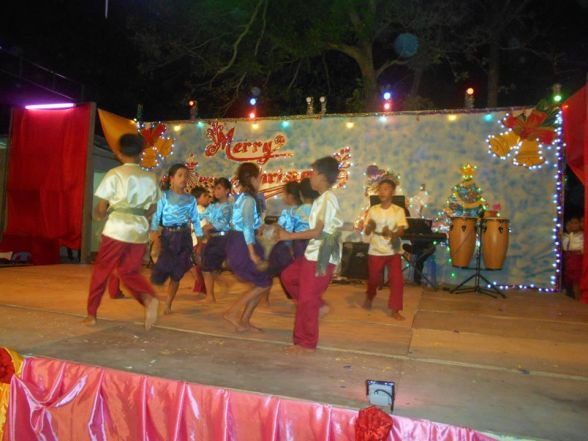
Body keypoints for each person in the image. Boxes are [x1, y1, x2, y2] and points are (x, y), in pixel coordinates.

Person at [83, 134, 160, 330]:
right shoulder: (150, 177)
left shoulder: (114, 174)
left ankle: (91, 314)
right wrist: (139, 215)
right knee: (129, 271)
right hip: (139, 229)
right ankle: (149, 298)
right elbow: (153, 207)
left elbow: (102, 207)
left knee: (102, 270)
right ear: (140, 153)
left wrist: (99, 215)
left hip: (117, 228)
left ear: (118, 153)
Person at [277, 156, 343, 353]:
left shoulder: (328, 199)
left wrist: (289, 235)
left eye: (313, 173)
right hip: (314, 252)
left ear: (322, 176)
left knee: (306, 300)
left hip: (322, 255)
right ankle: (317, 305)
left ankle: (306, 343)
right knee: (288, 276)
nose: (310, 176)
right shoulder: (321, 200)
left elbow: (317, 231)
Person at [224, 163, 272, 332]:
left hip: (241, 242)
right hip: (243, 244)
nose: (260, 181)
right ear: (252, 179)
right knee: (263, 283)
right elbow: (246, 227)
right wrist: (252, 253)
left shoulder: (243, 198)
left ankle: (244, 321)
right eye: (259, 178)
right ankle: (232, 312)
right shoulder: (249, 200)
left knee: (263, 282)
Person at [150, 163, 203, 314]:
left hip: (184, 237)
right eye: (180, 175)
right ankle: (150, 299)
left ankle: (168, 304)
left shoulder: (190, 199)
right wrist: (156, 239)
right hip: (168, 237)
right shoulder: (164, 196)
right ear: (172, 178)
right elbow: (155, 218)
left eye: (186, 176)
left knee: (177, 273)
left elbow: (196, 221)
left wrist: (199, 241)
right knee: (160, 273)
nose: (183, 179)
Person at [363, 179, 408, 320]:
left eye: (386, 189)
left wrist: (393, 234)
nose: (382, 192)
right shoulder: (373, 210)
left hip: (393, 250)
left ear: (392, 192)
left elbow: (401, 230)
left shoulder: (398, 210)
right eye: (380, 189)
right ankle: (370, 296)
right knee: (373, 279)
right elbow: (367, 231)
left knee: (397, 280)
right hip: (376, 249)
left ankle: (395, 309)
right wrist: (369, 227)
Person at [200, 178, 233, 303]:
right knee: (207, 267)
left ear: (227, 190)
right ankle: (211, 294)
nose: (216, 191)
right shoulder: (213, 206)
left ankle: (210, 296)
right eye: (215, 188)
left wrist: (209, 226)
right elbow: (202, 215)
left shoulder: (228, 207)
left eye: (219, 188)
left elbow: (223, 222)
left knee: (207, 267)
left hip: (223, 239)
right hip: (213, 239)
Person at [191, 186, 211, 297]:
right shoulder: (200, 209)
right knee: (201, 268)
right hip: (200, 243)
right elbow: (203, 229)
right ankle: (203, 289)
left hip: (195, 242)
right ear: (197, 199)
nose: (208, 198)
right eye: (205, 196)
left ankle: (201, 289)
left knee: (197, 268)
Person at [562, 216, 584, 300]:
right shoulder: (568, 235)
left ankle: (578, 299)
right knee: (569, 280)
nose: (573, 225)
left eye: (576, 223)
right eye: (572, 223)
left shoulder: (583, 235)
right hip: (569, 258)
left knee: (576, 281)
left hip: (578, 259)